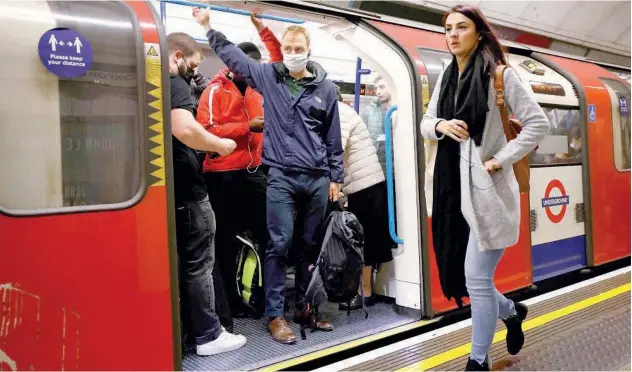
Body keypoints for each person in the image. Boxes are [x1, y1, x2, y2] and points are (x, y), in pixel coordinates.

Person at [192, 7, 343, 345]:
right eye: (287, 49)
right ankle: (275, 315)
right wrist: (208, 28)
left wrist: (337, 178)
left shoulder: (326, 90)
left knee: (308, 246)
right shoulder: (269, 79)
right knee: (279, 244)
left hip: (317, 178)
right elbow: (233, 56)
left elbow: (333, 139)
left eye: (297, 48)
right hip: (281, 178)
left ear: (308, 51)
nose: (291, 54)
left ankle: (305, 308)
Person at [420, 5, 550, 370]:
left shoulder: (500, 75)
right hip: (451, 192)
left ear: (479, 33)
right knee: (468, 278)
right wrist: (441, 125)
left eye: (462, 27)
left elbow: (538, 124)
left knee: (477, 278)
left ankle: (477, 361)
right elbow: (426, 122)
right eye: (448, 29)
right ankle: (511, 310)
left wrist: (500, 159)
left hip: (488, 193)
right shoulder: (446, 75)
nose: (453, 35)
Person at [196, 13, 283, 323]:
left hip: (255, 172)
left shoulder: (259, 90)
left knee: (269, 236)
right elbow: (206, 130)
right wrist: (248, 127)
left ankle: (262, 296)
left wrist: (264, 29)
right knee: (225, 242)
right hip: (222, 175)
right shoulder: (214, 91)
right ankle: (229, 304)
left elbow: (279, 59)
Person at [166, 31, 247, 356]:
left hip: (175, 192)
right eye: (192, 63)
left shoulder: (150, 87)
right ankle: (209, 335)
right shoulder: (174, 84)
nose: (192, 70)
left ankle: (191, 331)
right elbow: (185, 129)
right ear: (177, 56)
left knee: (187, 265)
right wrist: (220, 145)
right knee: (200, 265)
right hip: (190, 192)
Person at [333, 87, 394, 311]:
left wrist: (333, 181)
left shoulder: (338, 113)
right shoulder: (342, 111)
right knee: (365, 240)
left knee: (363, 241)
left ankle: (365, 292)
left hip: (364, 185)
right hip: (365, 183)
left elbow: (335, 149)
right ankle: (364, 290)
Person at [361, 75, 393, 171]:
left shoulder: (404, 111)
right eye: (376, 88)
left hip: (399, 169)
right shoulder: (369, 112)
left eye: (382, 87)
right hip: (377, 168)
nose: (378, 92)